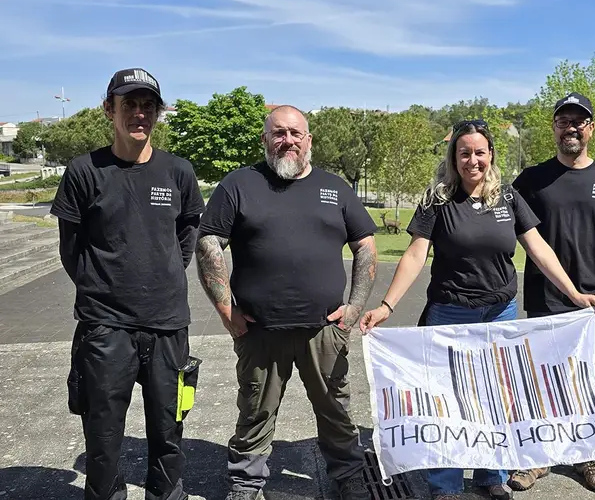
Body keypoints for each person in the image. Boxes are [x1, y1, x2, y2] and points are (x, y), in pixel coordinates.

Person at [359, 119, 595, 500]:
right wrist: (387, 306)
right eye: (464, 153)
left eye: (479, 152)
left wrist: (574, 293)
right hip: (450, 315)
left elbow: (538, 248)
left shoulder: (507, 197)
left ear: (491, 154)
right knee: (447, 401)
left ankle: (491, 476)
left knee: (496, 398)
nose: (472, 160)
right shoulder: (437, 200)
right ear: (453, 157)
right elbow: (415, 254)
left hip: (500, 315)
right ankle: (446, 486)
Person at [195, 105, 377, 500]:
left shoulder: (335, 188)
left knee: (336, 410)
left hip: (325, 330)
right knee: (255, 410)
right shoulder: (239, 184)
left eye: (296, 133)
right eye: (279, 133)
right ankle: (246, 482)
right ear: (265, 139)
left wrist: (355, 307)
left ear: (309, 140)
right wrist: (226, 310)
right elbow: (208, 243)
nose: (287, 140)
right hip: (259, 330)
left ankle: (349, 475)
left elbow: (365, 245)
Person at [50, 68, 205, 500]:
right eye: (129, 104)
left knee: (169, 431)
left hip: (167, 325)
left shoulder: (178, 171)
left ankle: (166, 494)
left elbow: (186, 236)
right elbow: (70, 248)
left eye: (148, 105)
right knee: (102, 437)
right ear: (109, 109)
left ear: (157, 112)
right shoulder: (84, 171)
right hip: (105, 328)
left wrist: (161, 276)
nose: (139, 113)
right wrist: (106, 287)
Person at [507, 92, 595, 493]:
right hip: (545, 299)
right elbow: (504, 226)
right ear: (554, 128)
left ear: (591, 129)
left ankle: (587, 456)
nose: (571, 128)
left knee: (585, 381)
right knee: (541, 379)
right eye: (563, 121)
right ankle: (539, 456)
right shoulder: (531, 180)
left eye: (579, 121)